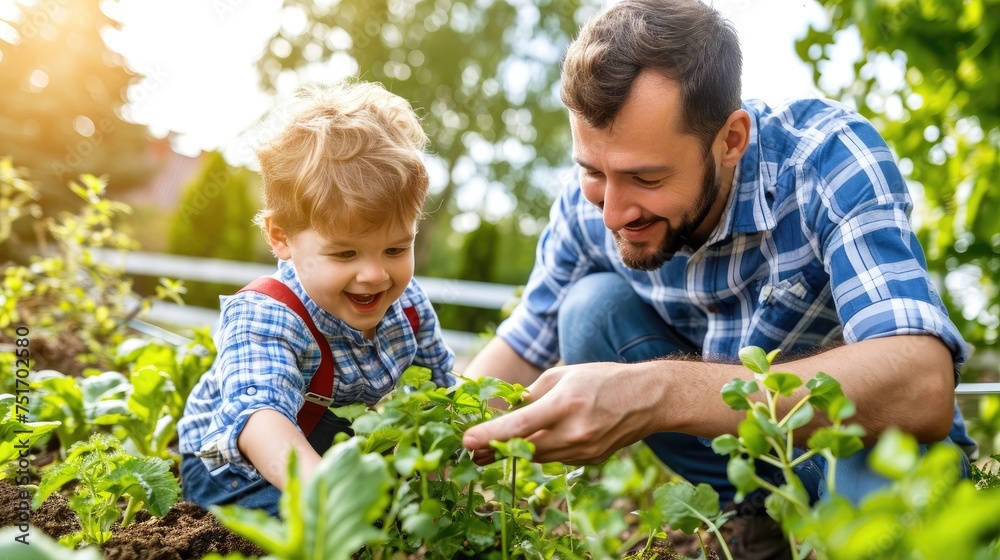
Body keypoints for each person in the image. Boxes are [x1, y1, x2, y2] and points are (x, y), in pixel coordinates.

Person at [461, 0, 975, 556]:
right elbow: (522, 344)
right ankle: (758, 523)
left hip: (852, 453)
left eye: (647, 178)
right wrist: (438, 436)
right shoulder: (595, 203)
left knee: (874, 484)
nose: (612, 212)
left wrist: (656, 392)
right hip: (746, 466)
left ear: (731, 140)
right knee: (589, 307)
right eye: (592, 171)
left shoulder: (826, 159)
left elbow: (920, 384)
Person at [177, 81, 455, 517]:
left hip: (331, 456)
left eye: (396, 249)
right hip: (239, 469)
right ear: (281, 237)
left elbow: (438, 397)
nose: (375, 274)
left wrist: (440, 489)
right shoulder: (266, 314)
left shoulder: (410, 308)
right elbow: (260, 420)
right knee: (303, 528)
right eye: (345, 253)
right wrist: (333, 498)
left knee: (405, 514)